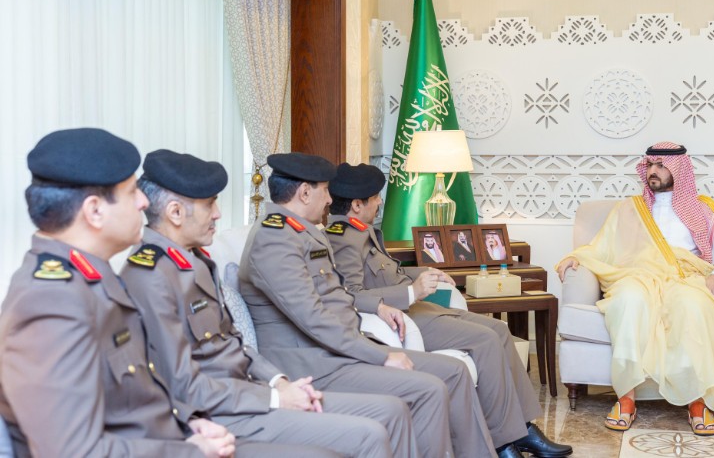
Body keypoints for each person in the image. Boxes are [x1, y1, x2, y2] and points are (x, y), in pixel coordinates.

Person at [120, 149, 414, 458]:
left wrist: (279, 382)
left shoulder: (194, 261)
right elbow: (184, 383)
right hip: (219, 414)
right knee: (367, 435)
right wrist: (274, 398)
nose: (218, 213)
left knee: (390, 413)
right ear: (176, 213)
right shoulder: (151, 276)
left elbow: (233, 344)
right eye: (209, 204)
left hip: (248, 393)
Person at [238, 153, 508, 458]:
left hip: (340, 351)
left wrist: (375, 325)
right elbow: (315, 319)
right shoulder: (274, 240)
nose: (330, 200)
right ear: (304, 193)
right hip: (314, 365)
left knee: (454, 372)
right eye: (324, 190)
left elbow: (338, 299)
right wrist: (381, 355)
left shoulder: (300, 232)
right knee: (430, 388)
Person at [0, 128, 241, 457]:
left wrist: (189, 423)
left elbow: (135, 393)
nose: (144, 202)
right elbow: (75, 452)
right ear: (95, 211)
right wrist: (192, 451)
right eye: (131, 193)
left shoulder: (91, 279)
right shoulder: (49, 301)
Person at [327, 162, 573, 458]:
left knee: (499, 329)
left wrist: (424, 271)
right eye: (376, 197)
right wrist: (411, 292)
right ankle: (503, 442)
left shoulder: (362, 231)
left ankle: (524, 430)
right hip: (403, 317)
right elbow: (350, 294)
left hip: (419, 310)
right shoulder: (343, 239)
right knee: (485, 340)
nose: (380, 203)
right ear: (357, 205)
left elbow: (387, 273)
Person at [556, 142, 714, 436]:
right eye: (650, 165)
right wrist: (576, 257)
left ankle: (697, 402)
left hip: (684, 279)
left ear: (679, 170)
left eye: (661, 166)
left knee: (692, 306)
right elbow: (601, 247)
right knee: (628, 300)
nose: (652, 171)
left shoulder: (702, 210)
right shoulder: (629, 208)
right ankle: (626, 399)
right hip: (637, 275)